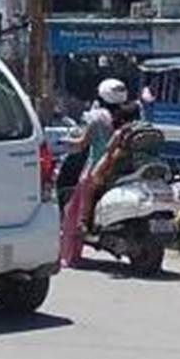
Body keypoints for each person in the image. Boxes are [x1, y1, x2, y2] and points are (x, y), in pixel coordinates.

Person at [58, 78, 131, 267]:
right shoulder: (131, 115)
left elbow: (81, 144)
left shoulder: (96, 117)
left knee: (72, 211)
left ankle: (69, 255)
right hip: (122, 169)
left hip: (97, 169)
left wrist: (61, 142)